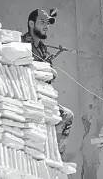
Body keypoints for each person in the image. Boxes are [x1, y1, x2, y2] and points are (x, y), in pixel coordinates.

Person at [21, 9, 74, 158]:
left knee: (67, 116)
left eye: (48, 23)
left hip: (42, 96)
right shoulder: (21, 44)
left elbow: (47, 78)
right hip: (26, 95)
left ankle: (55, 156)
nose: (46, 26)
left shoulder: (43, 49)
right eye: (42, 22)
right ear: (31, 24)